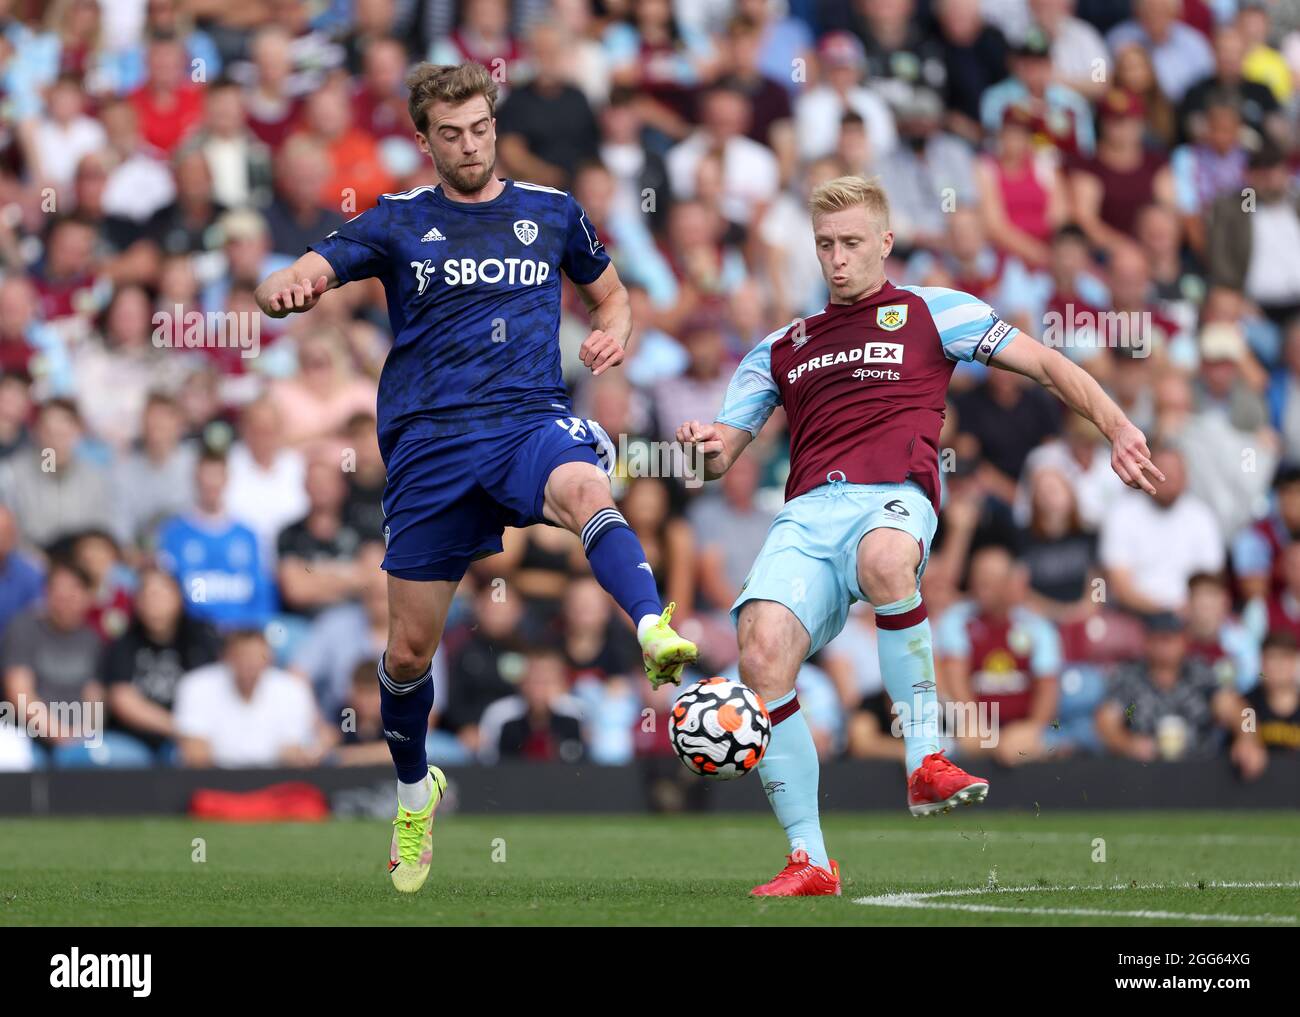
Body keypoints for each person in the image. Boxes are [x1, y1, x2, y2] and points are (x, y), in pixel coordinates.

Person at [254, 61, 697, 894]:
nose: (469, 145)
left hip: (527, 416)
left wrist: (615, 330)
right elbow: (308, 267)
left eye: (480, 129)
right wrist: (288, 283)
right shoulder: (395, 220)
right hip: (429, 445)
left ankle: (650, 626)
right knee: (409, 651)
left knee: (585, 487)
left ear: (495, 126)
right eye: (450, 134)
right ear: (424, 141)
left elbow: (613, 296)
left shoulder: (552, 212)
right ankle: (416, 789)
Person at [676, 174, 1161, 896]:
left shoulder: (934, 312)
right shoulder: (782, 345)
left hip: (893, 497)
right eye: (824, 246)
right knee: (760, 650)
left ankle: (926, 759)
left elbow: (1050, 366)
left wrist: (1118, 425)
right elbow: (722, 451)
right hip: (808, 514)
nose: (837, 259)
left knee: (886, 561)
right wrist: (700, 444)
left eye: (850, 244)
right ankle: (810, 859)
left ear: (885, 242)